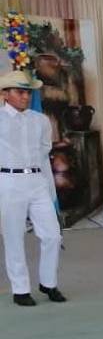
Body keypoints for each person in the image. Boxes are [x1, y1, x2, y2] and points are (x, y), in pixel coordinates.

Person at [0, 70, 62, 307]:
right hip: (8, 181)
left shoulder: (40, 120)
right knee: (13, 236)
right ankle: (20, 288)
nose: (25, 97)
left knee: (52, 235)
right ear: (6, 94)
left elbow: (44, 152)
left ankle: (49, 282)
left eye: (27, 92)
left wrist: (50, 191)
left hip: (36, 181)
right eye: (19, 92)